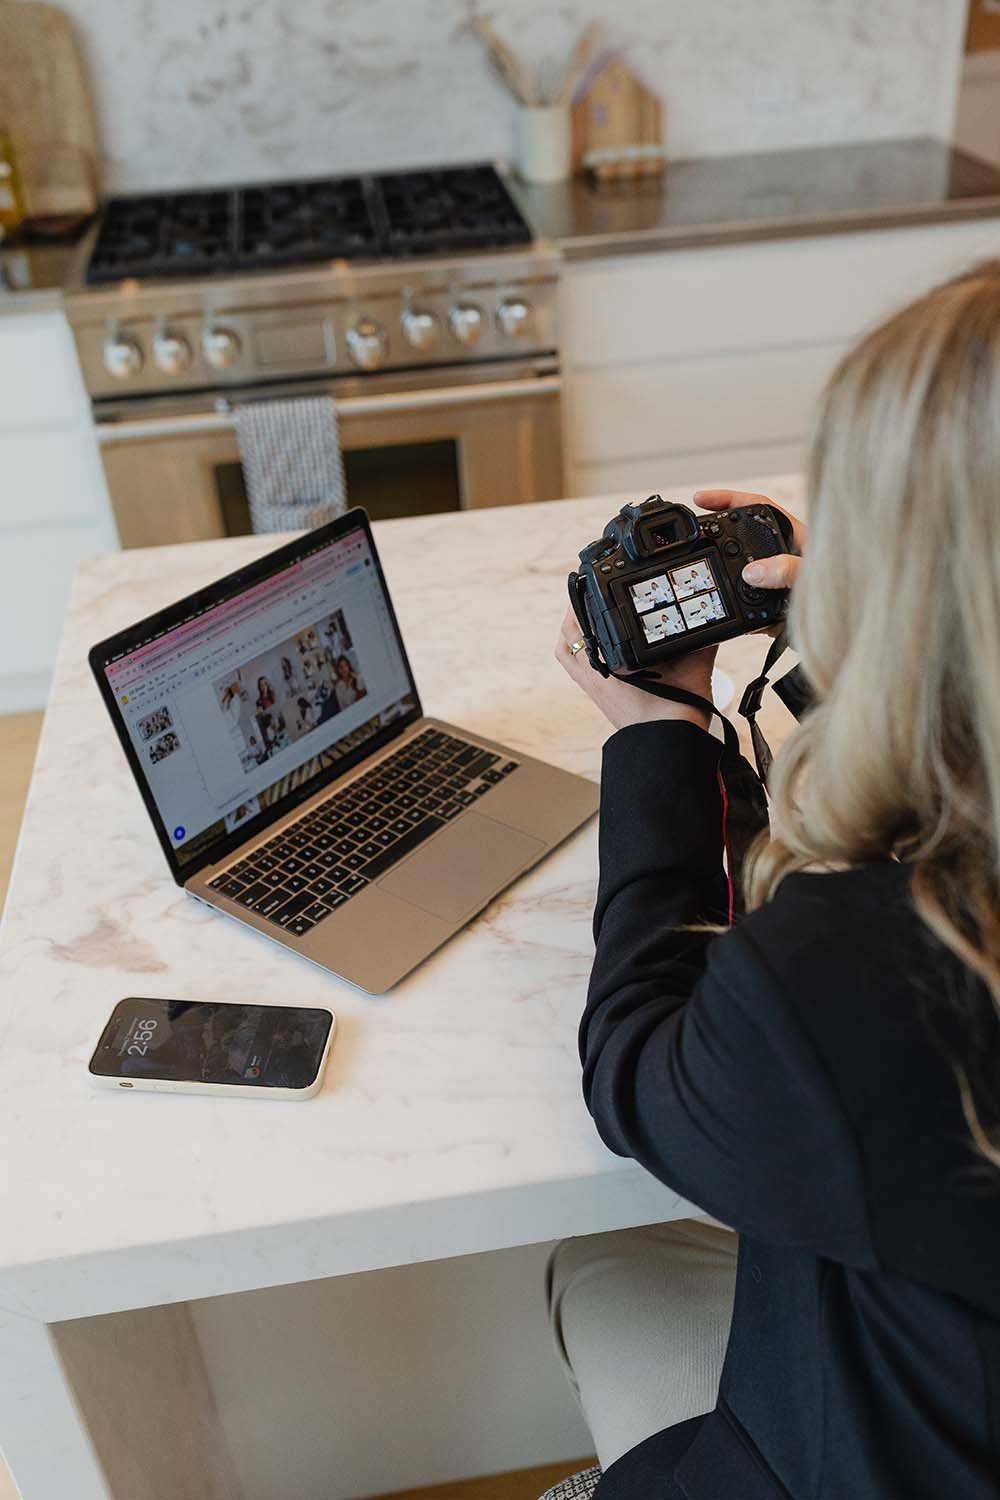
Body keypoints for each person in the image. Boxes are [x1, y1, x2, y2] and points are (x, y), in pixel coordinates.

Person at [553, 260, 1000, 1498]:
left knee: (589, 1284)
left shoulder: (876, 964)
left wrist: (658, 743)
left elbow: (638, 1074)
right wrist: (859, 653)